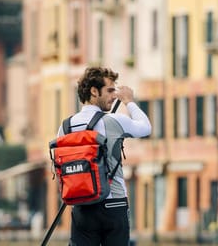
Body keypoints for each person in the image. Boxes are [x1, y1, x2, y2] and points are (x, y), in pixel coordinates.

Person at [57, 66, 152, 245]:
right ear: (94, 91)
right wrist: (129, 101)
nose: (113, 95)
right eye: (109, 90)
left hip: (82, 207)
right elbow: (146, 127)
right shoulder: (113, 121)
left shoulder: (65, 127)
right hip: (113, 204)